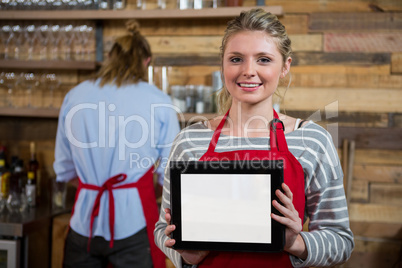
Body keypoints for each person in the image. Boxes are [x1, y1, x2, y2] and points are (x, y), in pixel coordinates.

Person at [154, 8, 354, 268]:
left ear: (285, 66)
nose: (249, 70)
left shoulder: (312, 141)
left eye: (264, 59)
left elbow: (341, 241)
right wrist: (185, 254)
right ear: (223, 65)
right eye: (236, 59)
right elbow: (163, 228)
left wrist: (294, 242)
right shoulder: (190, 140)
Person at [53, 20, 180, 268]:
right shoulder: (158, 100)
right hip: (134, 222)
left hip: (84, 221)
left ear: (109, 58)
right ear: (147, 62)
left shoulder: (75, 95)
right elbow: (169, 174)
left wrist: (95, 175)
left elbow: (64, 169)